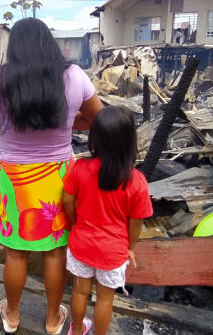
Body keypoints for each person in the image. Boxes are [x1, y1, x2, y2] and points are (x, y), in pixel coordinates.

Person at [0, 17, 103, 334]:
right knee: (55, 252)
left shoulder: (0, 80)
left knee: (16, 253)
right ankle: (52, 320)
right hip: (59, 177)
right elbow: (100, 119)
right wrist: (68, 122)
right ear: (50, 43)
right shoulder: (73, 76)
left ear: (14, 47)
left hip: (15, 178)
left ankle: (12, 316)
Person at [62, 105, 153, 335]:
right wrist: (131, 247)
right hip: (113, 251)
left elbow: (67, 200)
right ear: (130, 140)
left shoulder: (80, 169)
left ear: (94, 139)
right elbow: (137, 221)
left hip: (81, 242)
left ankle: (77, 329)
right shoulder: (137, 181)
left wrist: (74, 223)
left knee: (80, 292)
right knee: (104, 299)